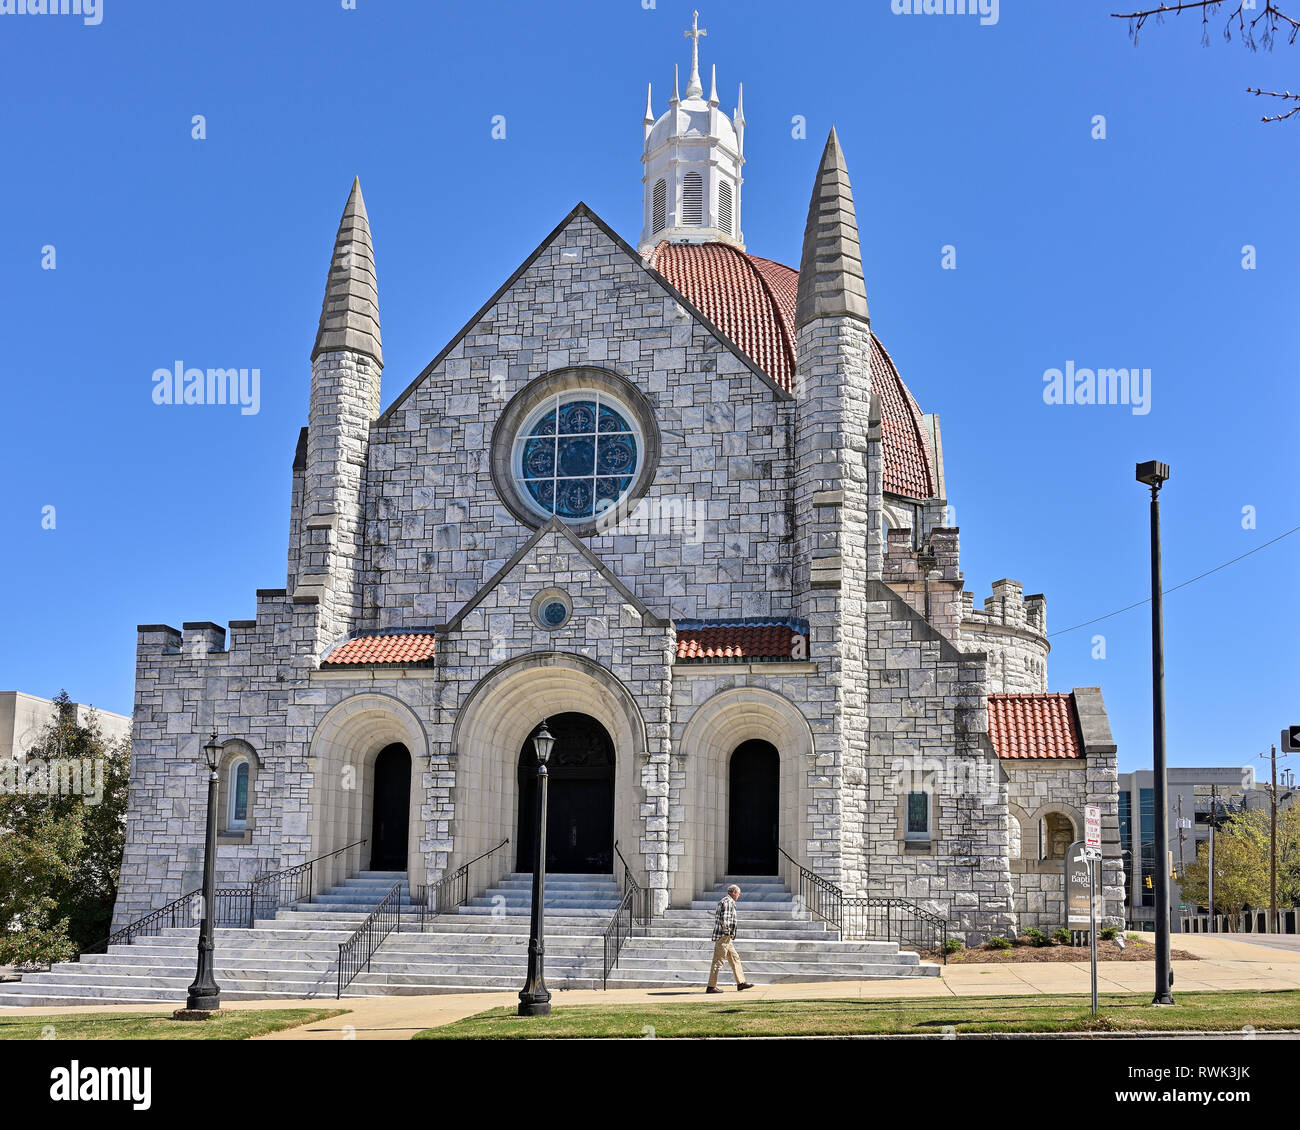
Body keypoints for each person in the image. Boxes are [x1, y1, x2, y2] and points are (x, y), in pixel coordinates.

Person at [706, 884, 754, 993]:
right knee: (718, 961)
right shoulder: (728, 902)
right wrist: (728, 933)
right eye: (738, 893)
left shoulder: (726, 901)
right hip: (724, 936)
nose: (739, 895)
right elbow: (725, 919)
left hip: (726, 937)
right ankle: (711, 986)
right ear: (733, 892)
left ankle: (740, 983)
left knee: (735, 958)